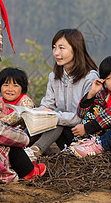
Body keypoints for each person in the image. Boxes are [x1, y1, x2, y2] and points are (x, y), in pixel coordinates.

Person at [24, 29, 99, 161]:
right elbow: (47, 104)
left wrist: (54, 116)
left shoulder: (90, 78)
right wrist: (36, 113)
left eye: (61, 48)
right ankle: (17, 144)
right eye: (54, 48)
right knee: (49, 115)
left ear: (76, 49)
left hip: (81, 136)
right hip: (60, 134)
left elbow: (81, 118)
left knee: (57, 116)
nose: (56, 53)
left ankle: (35, 151)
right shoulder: (54, 77)